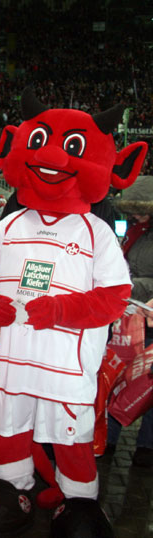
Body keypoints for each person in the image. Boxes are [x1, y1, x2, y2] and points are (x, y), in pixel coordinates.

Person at [0, 88, 147, 536]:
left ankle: (79, 506)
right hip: (13, 365)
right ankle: (15, 495)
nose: (51, 158)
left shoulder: (97, 233)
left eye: (70, 148)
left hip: (65, 369)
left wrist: (58, 310)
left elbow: (113, 297)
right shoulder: (8, 225)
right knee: (7, 431)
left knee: (72, 441)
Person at [107, 175, 153, 468]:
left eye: (139, 210)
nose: (134, 216)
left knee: (147, 385)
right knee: (118, 376)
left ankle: (147, 446)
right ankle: (110, 438)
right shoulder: (139, 231)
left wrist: (133, 286)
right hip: (133, 315)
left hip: (148, 313)